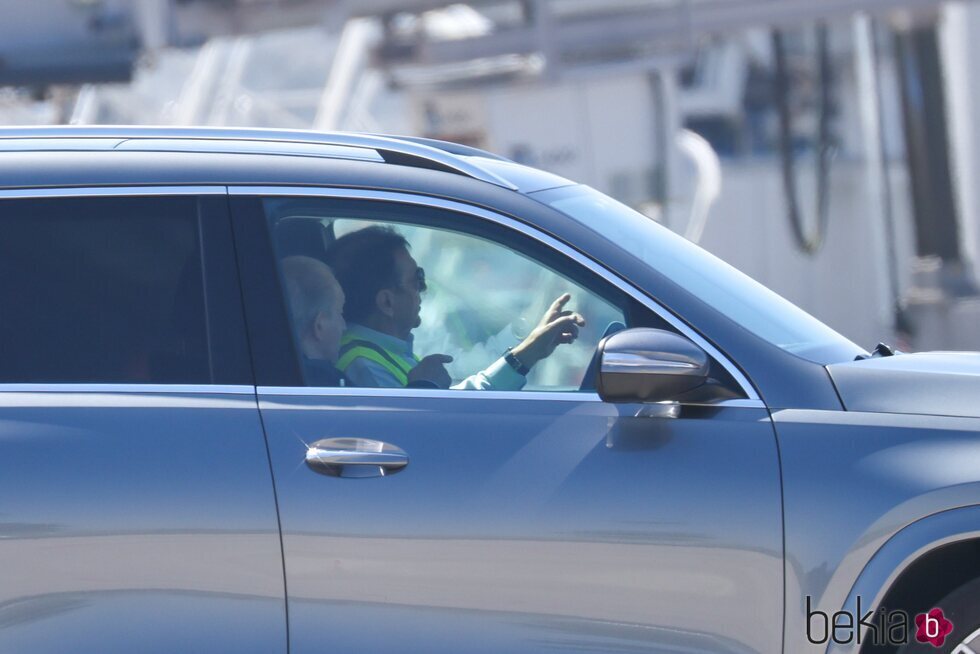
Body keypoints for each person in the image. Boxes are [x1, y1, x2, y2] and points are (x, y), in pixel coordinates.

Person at [325, 225, 585, 390]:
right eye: (417, 280)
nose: (423, 290)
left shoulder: (382, 350)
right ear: (387, 302)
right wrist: (424, 387)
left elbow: (461, 402)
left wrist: (527, 353)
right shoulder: (364, 366)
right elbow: (410, 438)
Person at [280, 255, 348, 387]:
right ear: (319, 325)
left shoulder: (260, 372)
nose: (344, 326)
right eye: (340, 314)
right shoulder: (331, 386)